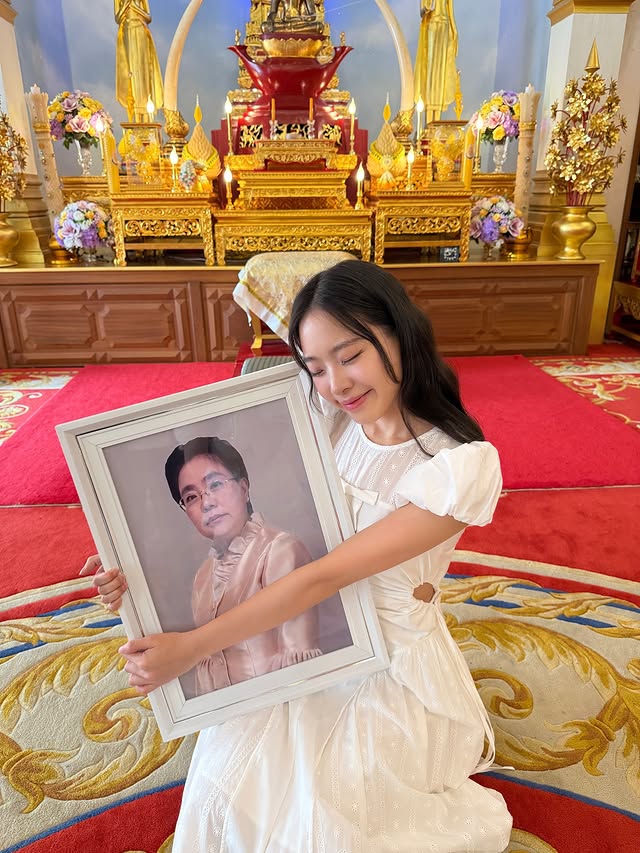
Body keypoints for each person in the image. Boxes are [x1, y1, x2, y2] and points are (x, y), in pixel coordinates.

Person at [83, 260, 513, 851]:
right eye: (315, 368)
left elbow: (323, 577)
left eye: (350, 355)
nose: (336, 384)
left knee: (325, 823)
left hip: (385, 664)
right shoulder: (331, 424)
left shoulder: (456, 468)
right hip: (299, 635)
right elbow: (247, 522)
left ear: (400, 333)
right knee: (227, 793)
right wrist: (133, 567)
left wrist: (191, 648)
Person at [83, 435, 322, 696]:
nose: (207, 503)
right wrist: (122, 572)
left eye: (216, 484)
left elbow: (301, 666)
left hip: (281, 702)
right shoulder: (204, 575)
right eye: (191, 497)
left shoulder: (280, 549)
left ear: (244, 488)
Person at [114, 0, 164, 122]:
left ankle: (147, 116)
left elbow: (148, 17)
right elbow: (117, 18)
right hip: (127, 31)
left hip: (141, 30)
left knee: (143, 72)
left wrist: (135, 7)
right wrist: (126, 5)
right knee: (131, 73)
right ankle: (135, 116)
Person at [414, 0, 459, 124]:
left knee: (441, 71)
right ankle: (429, 123)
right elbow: (422, 11)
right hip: (432, 24)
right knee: (431, 71)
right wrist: (427, 8)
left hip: (445, 25)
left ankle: (436, 124)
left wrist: (454, 30)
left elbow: (450, 9)